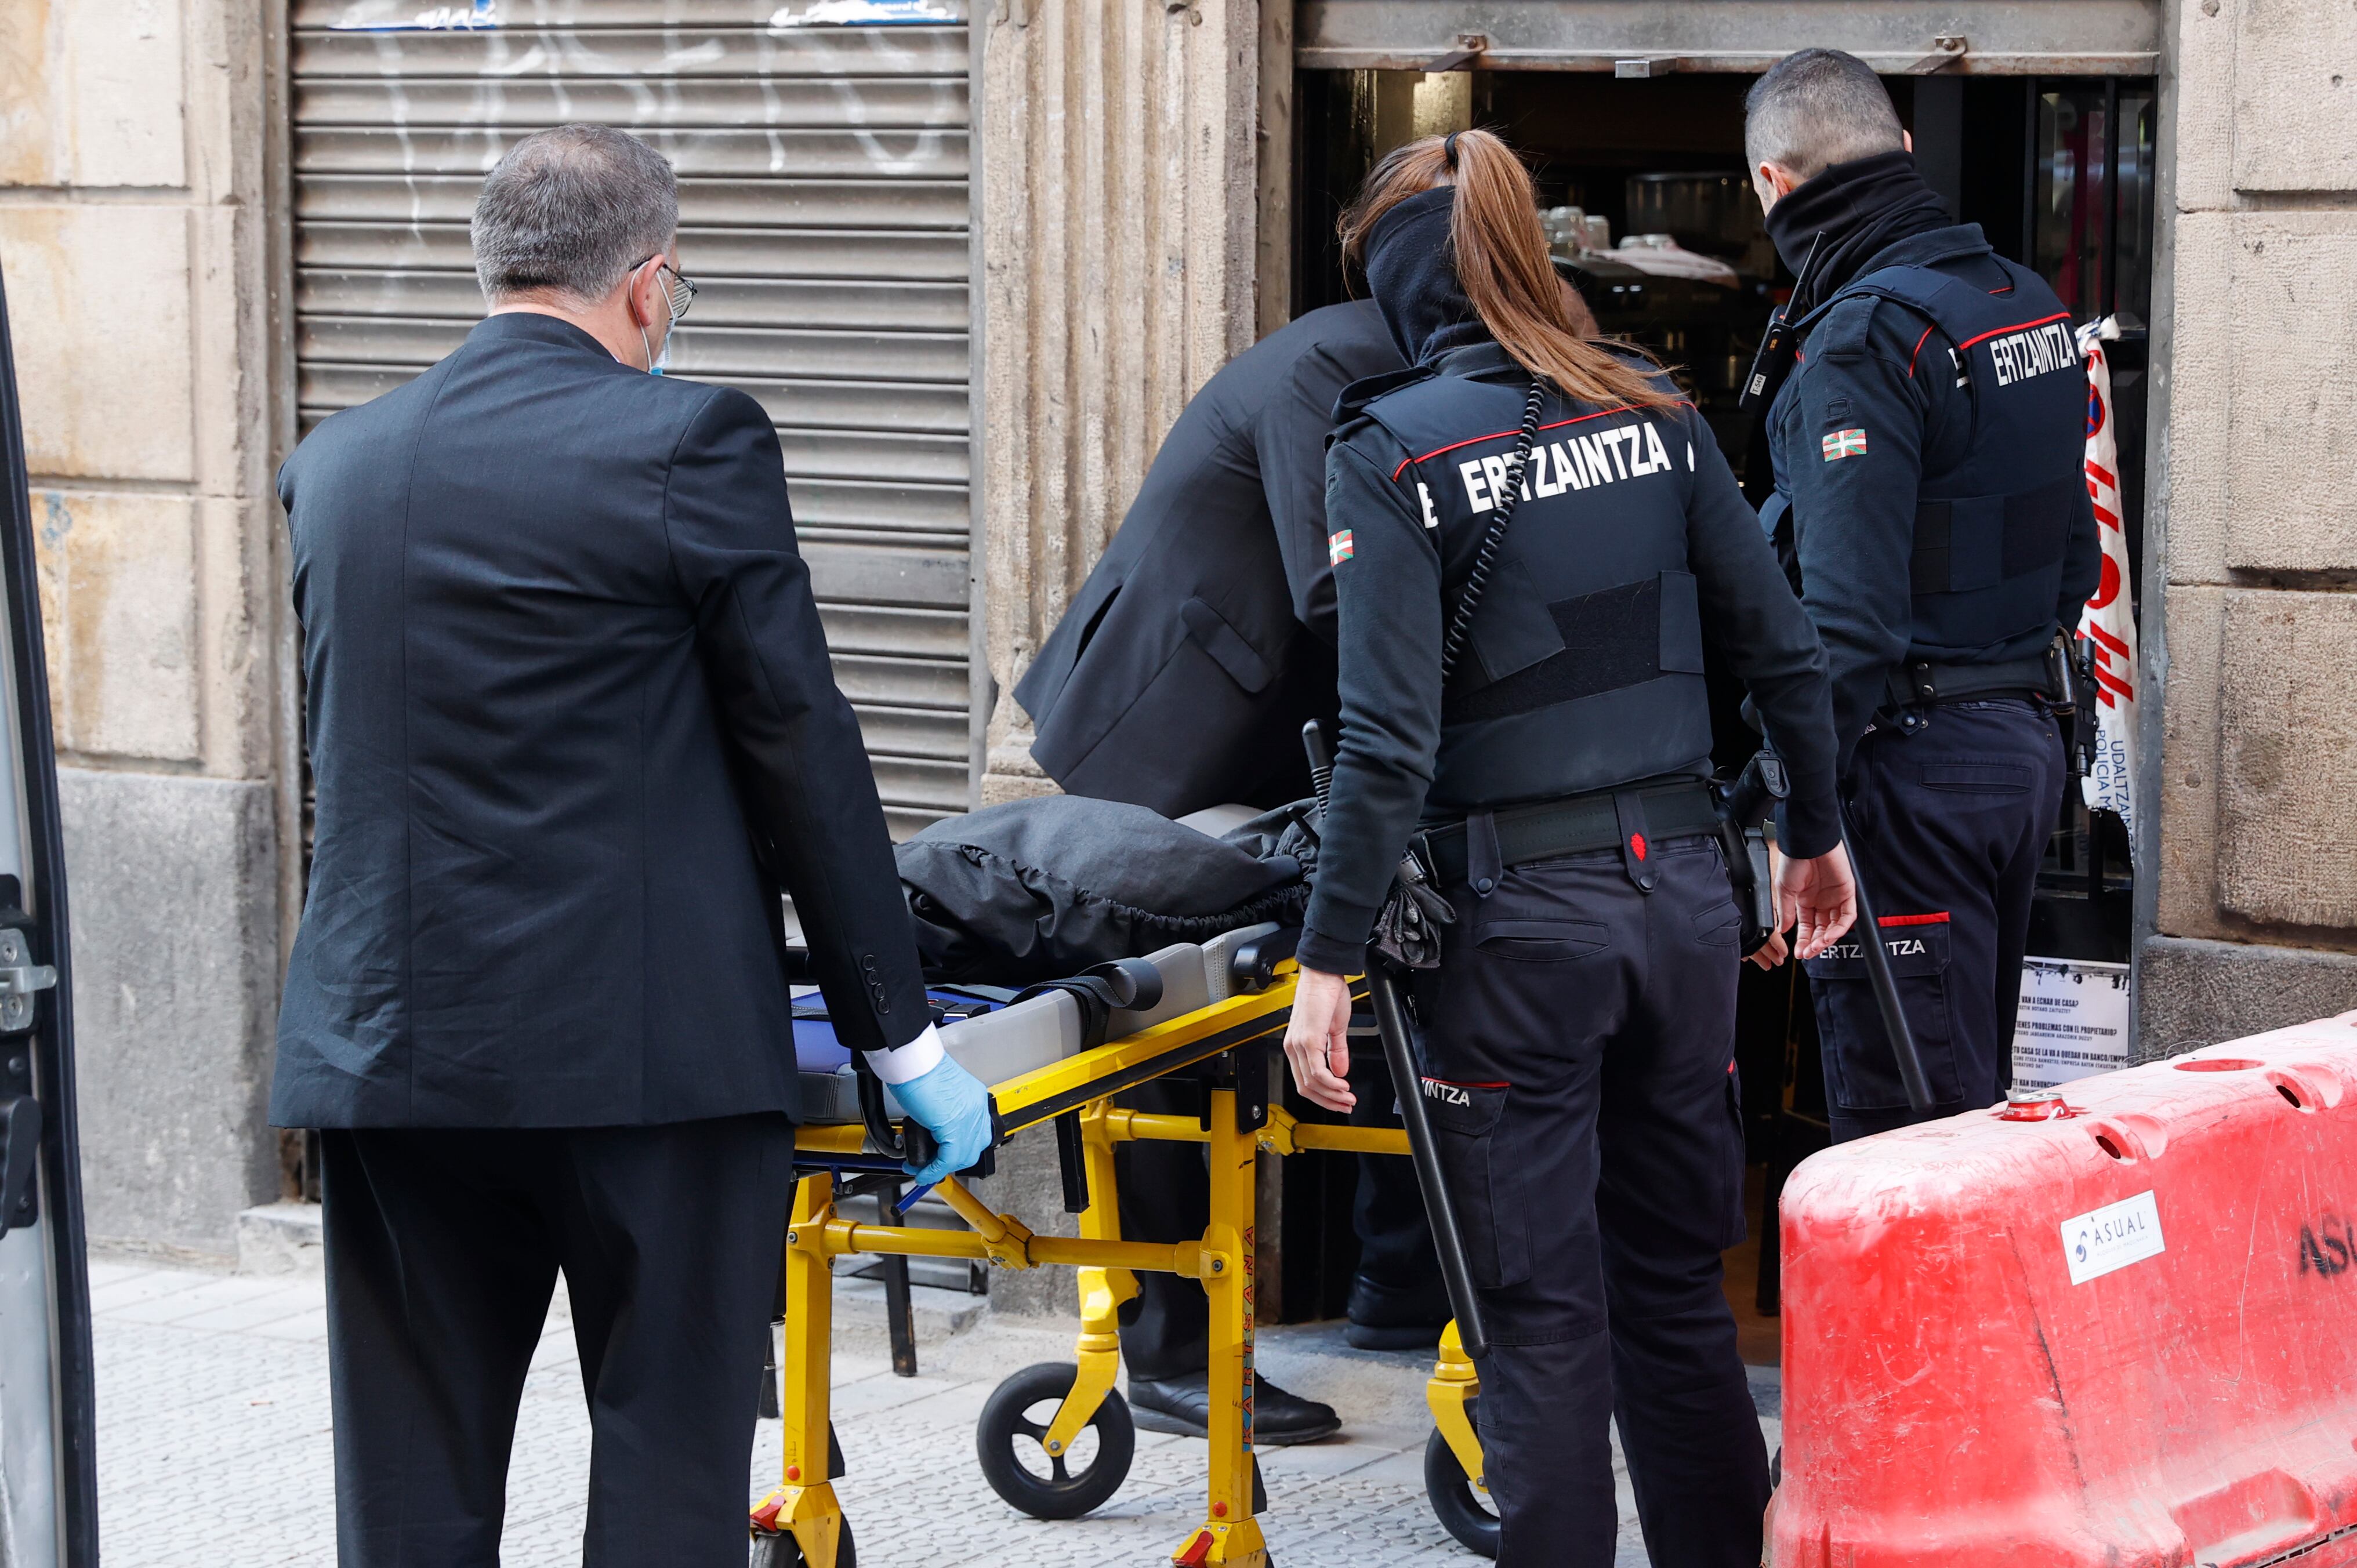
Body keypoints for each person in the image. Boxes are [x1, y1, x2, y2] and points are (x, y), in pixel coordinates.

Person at [274, 125, 992, 1567]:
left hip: (394, 1053)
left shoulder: (334, 467)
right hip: (648, 1066)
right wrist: (903, 1043)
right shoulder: (690, 437)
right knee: (668, 1475)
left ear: (494, 269)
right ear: (651, 287)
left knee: (409, 1494)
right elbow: (800, 743)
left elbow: (343, 754)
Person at [1278, 129, 1856, 1567]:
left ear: (1404, 279)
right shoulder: (1653, 411)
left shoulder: (1391, 444)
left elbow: (1386, 741)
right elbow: (1782, 648)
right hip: (1683, 912)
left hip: (1519, 932)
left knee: (1536, 1317)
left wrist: (1326, 960)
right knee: (1670, 1288)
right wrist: (1816, 837)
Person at [1014, 300, 1439, 1443]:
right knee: (1170, 1040)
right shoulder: (1333, 365)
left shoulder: (1381, 359)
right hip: (1165, 735)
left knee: (1363, 976)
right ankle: (1171, 1354)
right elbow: (1333, 584)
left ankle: (1394, 1285)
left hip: (1239, 738)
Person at [1742, 50, 2101, 1140]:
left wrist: (1792, 812)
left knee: (1911, 1143)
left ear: (1773, 186)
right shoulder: (2024, 301)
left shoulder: (1859, 342)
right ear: (1903, 150)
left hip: (1915, 771)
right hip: (2025, 751)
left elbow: (1847, 630)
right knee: (1971, 1118)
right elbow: (2077, 562)